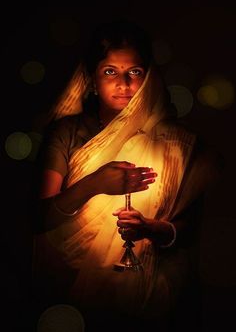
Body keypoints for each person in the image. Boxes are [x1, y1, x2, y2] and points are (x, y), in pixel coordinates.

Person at [32, 19, 222, 331]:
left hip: (154, 299)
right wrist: (94, 184)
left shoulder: (175, 141)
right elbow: (40, 219)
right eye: (110, 72)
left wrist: (151, 229)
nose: (123, 83)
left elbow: (189, 230)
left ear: (148, 78)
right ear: (93, 79)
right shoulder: (67, 133)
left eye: (134, 72)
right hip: (73, 292)